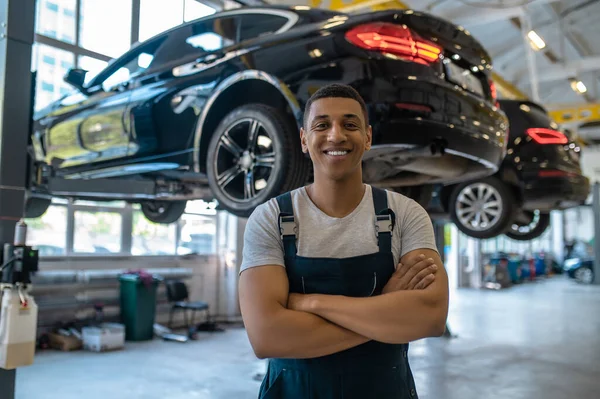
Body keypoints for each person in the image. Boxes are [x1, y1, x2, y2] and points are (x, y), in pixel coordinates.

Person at [238, 83, 449, 398]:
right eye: (322, 125)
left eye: (350, 124)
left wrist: (312, 303)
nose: (336, 136)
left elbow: (430, 317)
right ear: (304, 139)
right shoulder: (270, 219)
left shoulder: (404, 214)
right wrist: (384, 312)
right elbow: (267, 337)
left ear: (367, 137)